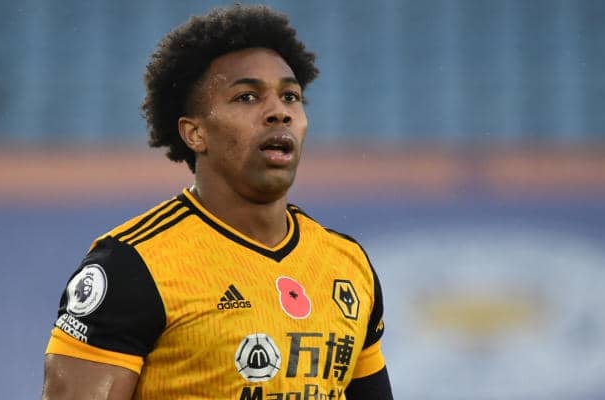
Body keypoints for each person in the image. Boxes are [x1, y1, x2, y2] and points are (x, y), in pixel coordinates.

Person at [42, 5, 392, 399]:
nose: (279, 113)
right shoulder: (132, 267)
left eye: (290, 96)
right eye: (247, 97)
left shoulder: (347, 264)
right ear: (195, 133)